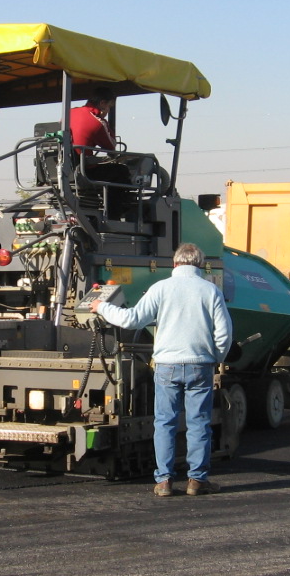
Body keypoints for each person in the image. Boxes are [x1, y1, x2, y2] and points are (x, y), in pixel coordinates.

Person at [90, 243, 233, 496]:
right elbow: (224, 334)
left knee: (165, 422)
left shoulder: (160, 288)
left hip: (167, 365)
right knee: (199, 423)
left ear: (175, 264)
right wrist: (214, 358)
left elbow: (131, 319)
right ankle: (197, 481)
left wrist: (101, 306)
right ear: (199, 264)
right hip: (200, 365)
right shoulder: (211, 290)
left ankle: (164, 481)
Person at [69, 88, 133, 217]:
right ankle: (114, 216)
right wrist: (105, 123)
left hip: (67, 168)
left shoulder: (70, 113)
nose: (108, 111)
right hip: (84, 171)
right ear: (103, 103)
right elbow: (111, 146)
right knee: (121, 172)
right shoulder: (96, 122)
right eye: (109, 107)